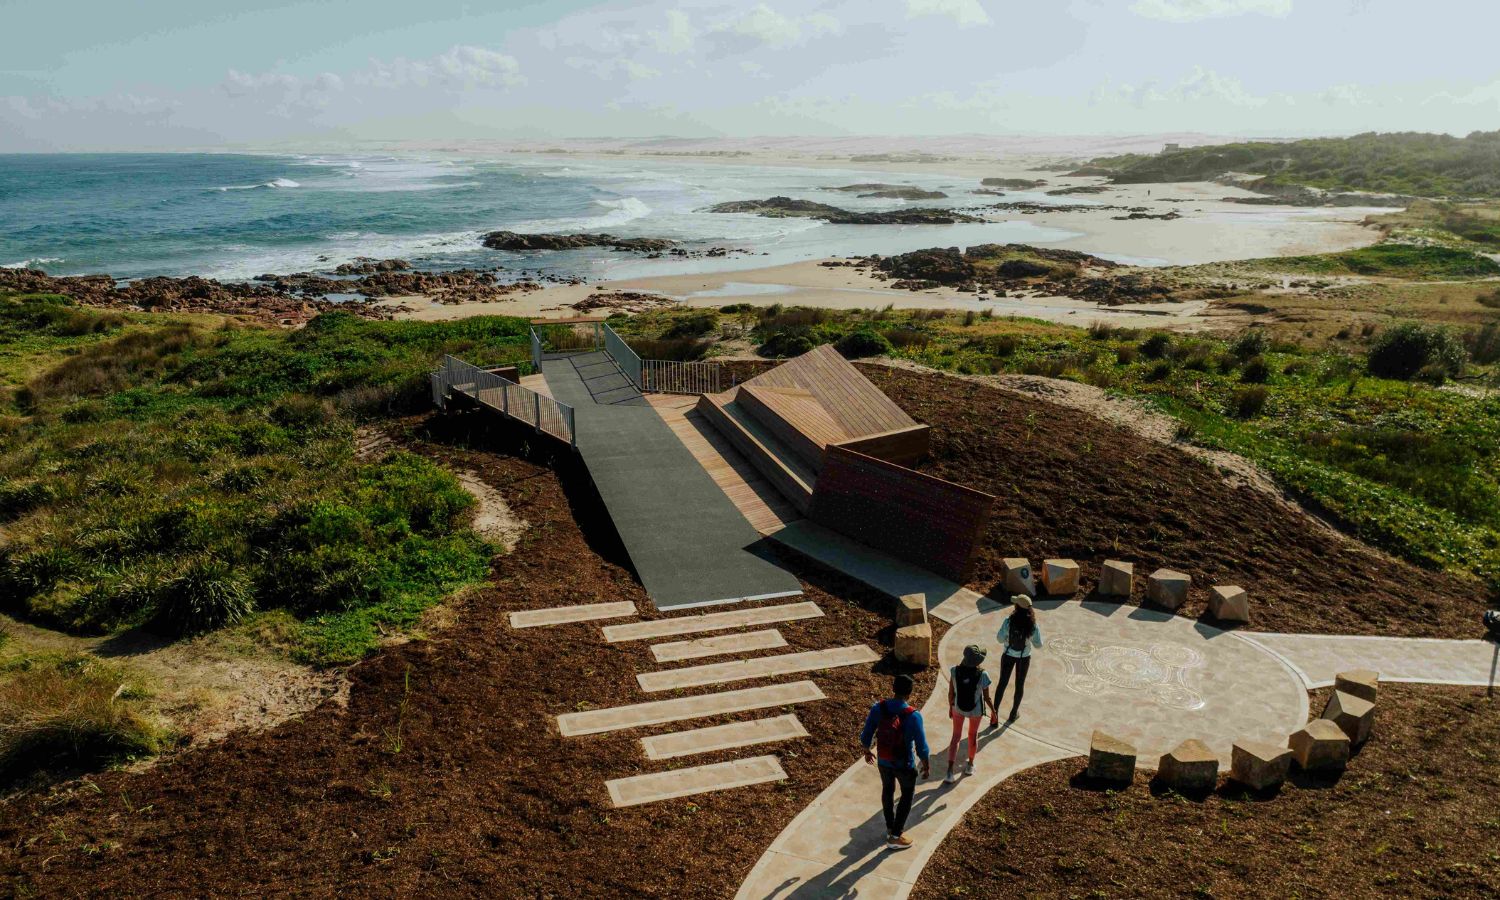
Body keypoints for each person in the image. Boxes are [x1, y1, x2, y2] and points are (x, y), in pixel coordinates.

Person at [860, 674, 931, 850]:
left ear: (893, 689)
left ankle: (890, 827)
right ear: (910, 693)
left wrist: (867, 751)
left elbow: (866, 734)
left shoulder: (878, 708)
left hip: (883, 760)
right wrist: (926, 764)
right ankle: (895, 836)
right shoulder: (913, 716)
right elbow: (922, 746)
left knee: (887, 790)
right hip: (904, 764)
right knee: (907, 796)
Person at [991, 595, 1043, 726]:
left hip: (1008, 655)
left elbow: (999, 639)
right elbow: (1038, 644)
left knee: (1002, 683)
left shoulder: (1008, 621)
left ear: (1017, 607)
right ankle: (1013, 713)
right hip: (1023, 658)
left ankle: (994, 714)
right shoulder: (1033, 625)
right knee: (1019, 686)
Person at [944, 644, 992, 783]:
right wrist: (993, 712)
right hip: (975, 710)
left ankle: (949, 772)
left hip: (957, 707)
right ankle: (970, 765)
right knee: (972, 736)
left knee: (955, 737)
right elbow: (987, 697)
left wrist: (950, 707)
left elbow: (951, 693)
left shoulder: (954, 671)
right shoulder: (983, 674)